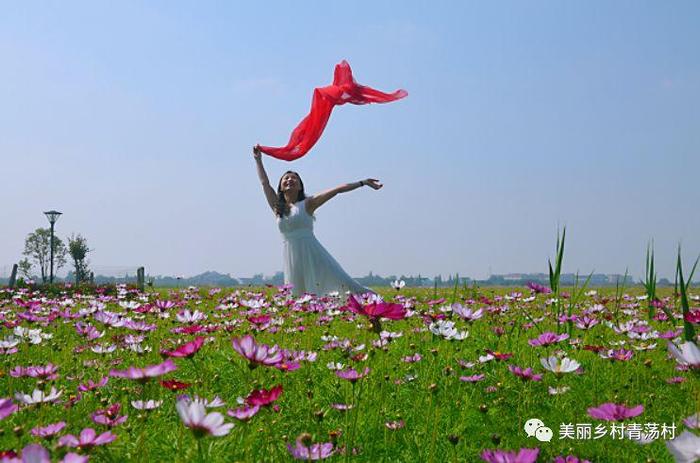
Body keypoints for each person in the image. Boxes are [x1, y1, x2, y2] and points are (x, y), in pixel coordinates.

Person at [253, 144, 379, 297]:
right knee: (297, 294)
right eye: (286, 178)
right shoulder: (277, 207)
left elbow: (338, 189)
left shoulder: (308, 203)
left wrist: (363, 182)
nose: (290, 180)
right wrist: (258, 160)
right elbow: (265, 183)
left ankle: (375, 305)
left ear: (300, 186)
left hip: (313, 253)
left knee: (344, 283)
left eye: (294, 178)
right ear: (280, 186)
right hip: (291, 257)